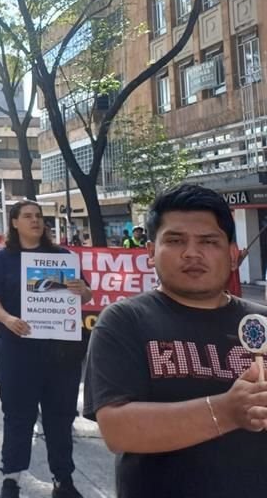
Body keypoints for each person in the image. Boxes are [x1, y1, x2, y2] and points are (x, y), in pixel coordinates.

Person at [83, 184, 267, 498]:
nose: (192, 253)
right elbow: (117, 430)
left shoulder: (261, 325)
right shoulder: (124, 321)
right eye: (175, 240)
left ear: (234, 255)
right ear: (151, 252)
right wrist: (227, 410)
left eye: (209, 241)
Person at [0, 200, 93, 498]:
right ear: (14, 223)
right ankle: (12, 477)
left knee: (61, 415)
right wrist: (7, 319)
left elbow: (86, 295)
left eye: (39, 216)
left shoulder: (64, 258)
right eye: (27, 216)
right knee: (18, 414)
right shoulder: (4, 260)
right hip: (18, 352)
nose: (35, 221)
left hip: (61, 354)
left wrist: (82, 290)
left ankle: (63, 479)